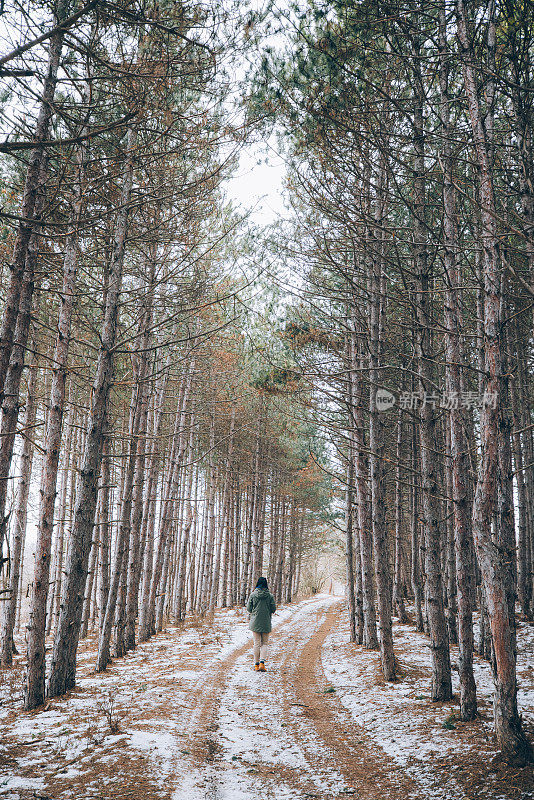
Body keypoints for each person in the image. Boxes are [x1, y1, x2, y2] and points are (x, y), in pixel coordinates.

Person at [246, 576, 276, 672]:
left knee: (256, 643)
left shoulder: (253, 595)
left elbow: (249, 609)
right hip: (266, 621)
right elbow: (273, 609)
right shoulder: (270, 596)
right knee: (265, 643)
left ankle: (256, 664)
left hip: (255, 622)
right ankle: (262, 663)